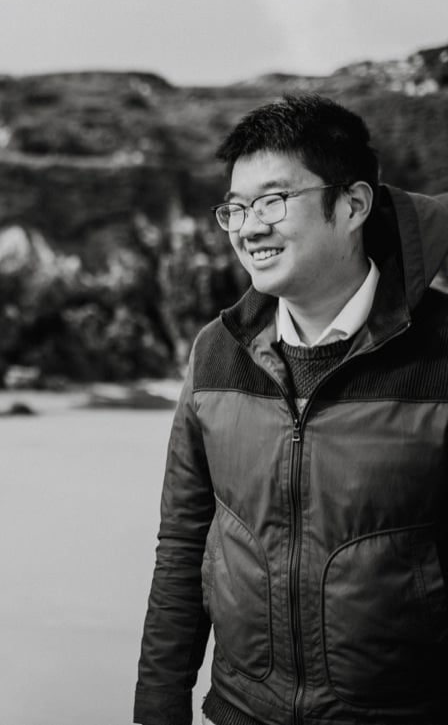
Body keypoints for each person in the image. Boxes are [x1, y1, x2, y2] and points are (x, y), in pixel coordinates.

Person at [134, 94, 448, 725]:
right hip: (241, 710)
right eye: (236, 208)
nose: (250, 227)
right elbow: (182, 546)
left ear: (353, 204)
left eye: (274, 200)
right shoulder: (217, 353)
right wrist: (158, 710)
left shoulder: (437, 355)